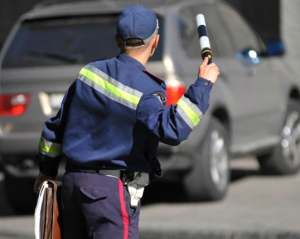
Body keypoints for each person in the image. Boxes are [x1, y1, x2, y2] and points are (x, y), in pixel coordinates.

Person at [34, 4, 219, 239]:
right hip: (109, 193)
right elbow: (174, 129)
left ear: (116, 40)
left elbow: (55, 128)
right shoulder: (147, 90)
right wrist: (203, 84)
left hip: (72, 186)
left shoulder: (89, 73)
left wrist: (46, 172)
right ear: (155, 42)